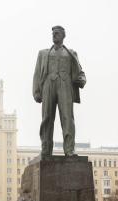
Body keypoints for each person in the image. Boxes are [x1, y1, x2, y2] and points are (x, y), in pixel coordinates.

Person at [32, 25, 86, 157]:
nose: (54, 35)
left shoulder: (71, 53)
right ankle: (46, 149)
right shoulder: (43, 54)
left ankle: (69, 150)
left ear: (63, 36)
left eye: (57, 33)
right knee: (47, 118)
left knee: (67, 117)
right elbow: (37, 73)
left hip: (65, 85)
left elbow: (80, 71)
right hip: (48, 85)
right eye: (53, 33)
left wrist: (82, 80)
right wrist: (36, 91)